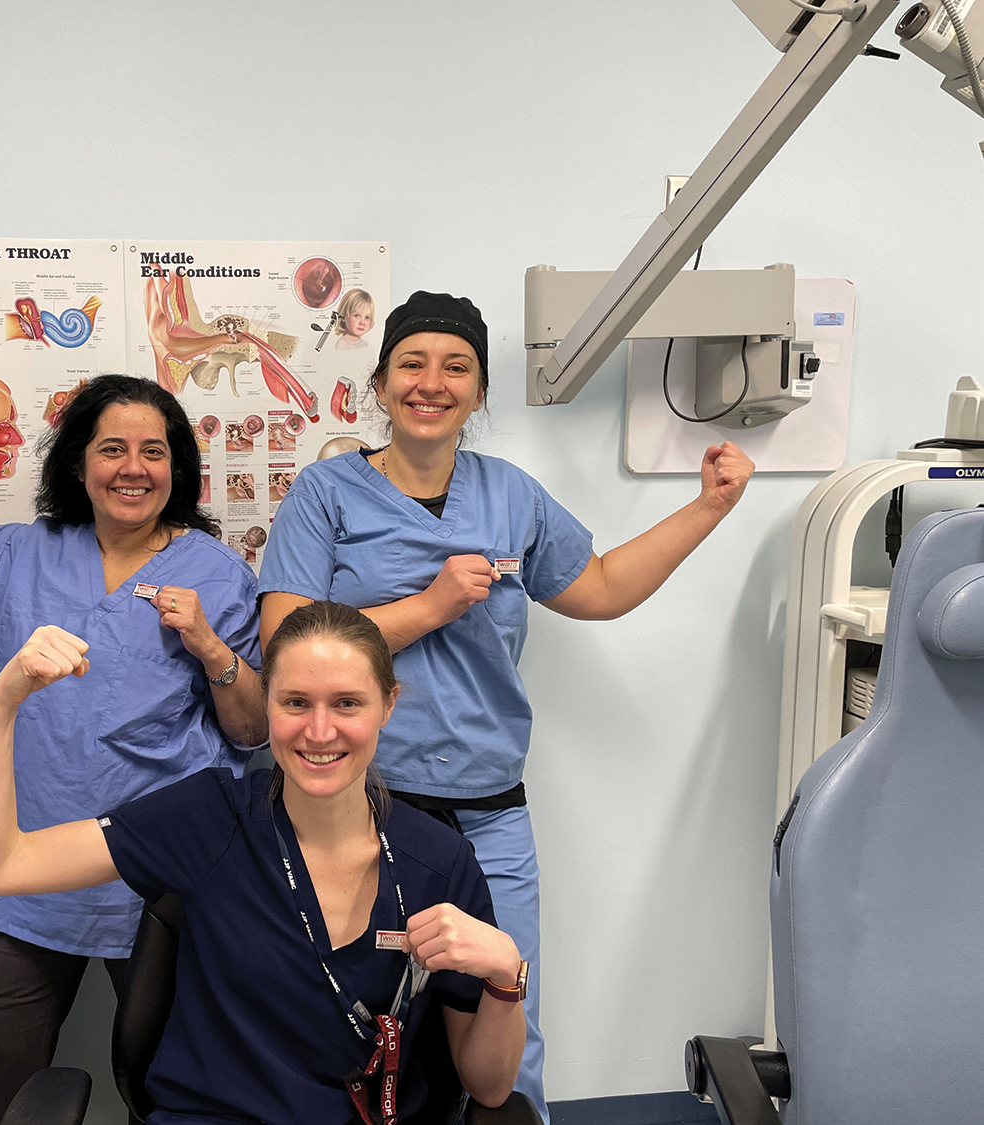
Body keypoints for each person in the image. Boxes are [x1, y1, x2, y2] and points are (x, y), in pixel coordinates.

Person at [257, 291, 755, 1122]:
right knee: (352, 1016)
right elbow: (287, 640)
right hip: (358, 808)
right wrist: (431, 604)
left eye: (457, 367)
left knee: (504, 1016)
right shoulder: (327, 493)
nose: (432, 382)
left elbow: (597, 587)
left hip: (489, 810)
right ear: (380, 385)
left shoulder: (512, 495)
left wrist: (709, 506)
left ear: (480, 393)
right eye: (412, 364)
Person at [0, 374, 267, 1125]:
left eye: (153, 451)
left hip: (166, 883)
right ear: (79, 464)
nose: (133, 468)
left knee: (185, 1089)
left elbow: (252, 731)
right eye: (112, 449)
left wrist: (208, 645)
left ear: (178, 469)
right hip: (28, 872)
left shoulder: (219, 573)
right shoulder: (21, 554)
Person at [0, 601, 529, 1122]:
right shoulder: (209, 818)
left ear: (388, 704)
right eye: (295, 703)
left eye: (347, 703)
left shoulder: (438, 861)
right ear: (268, 704)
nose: (320, 731)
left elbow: (491, 1088)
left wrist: (507, 978)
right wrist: (3, 704)